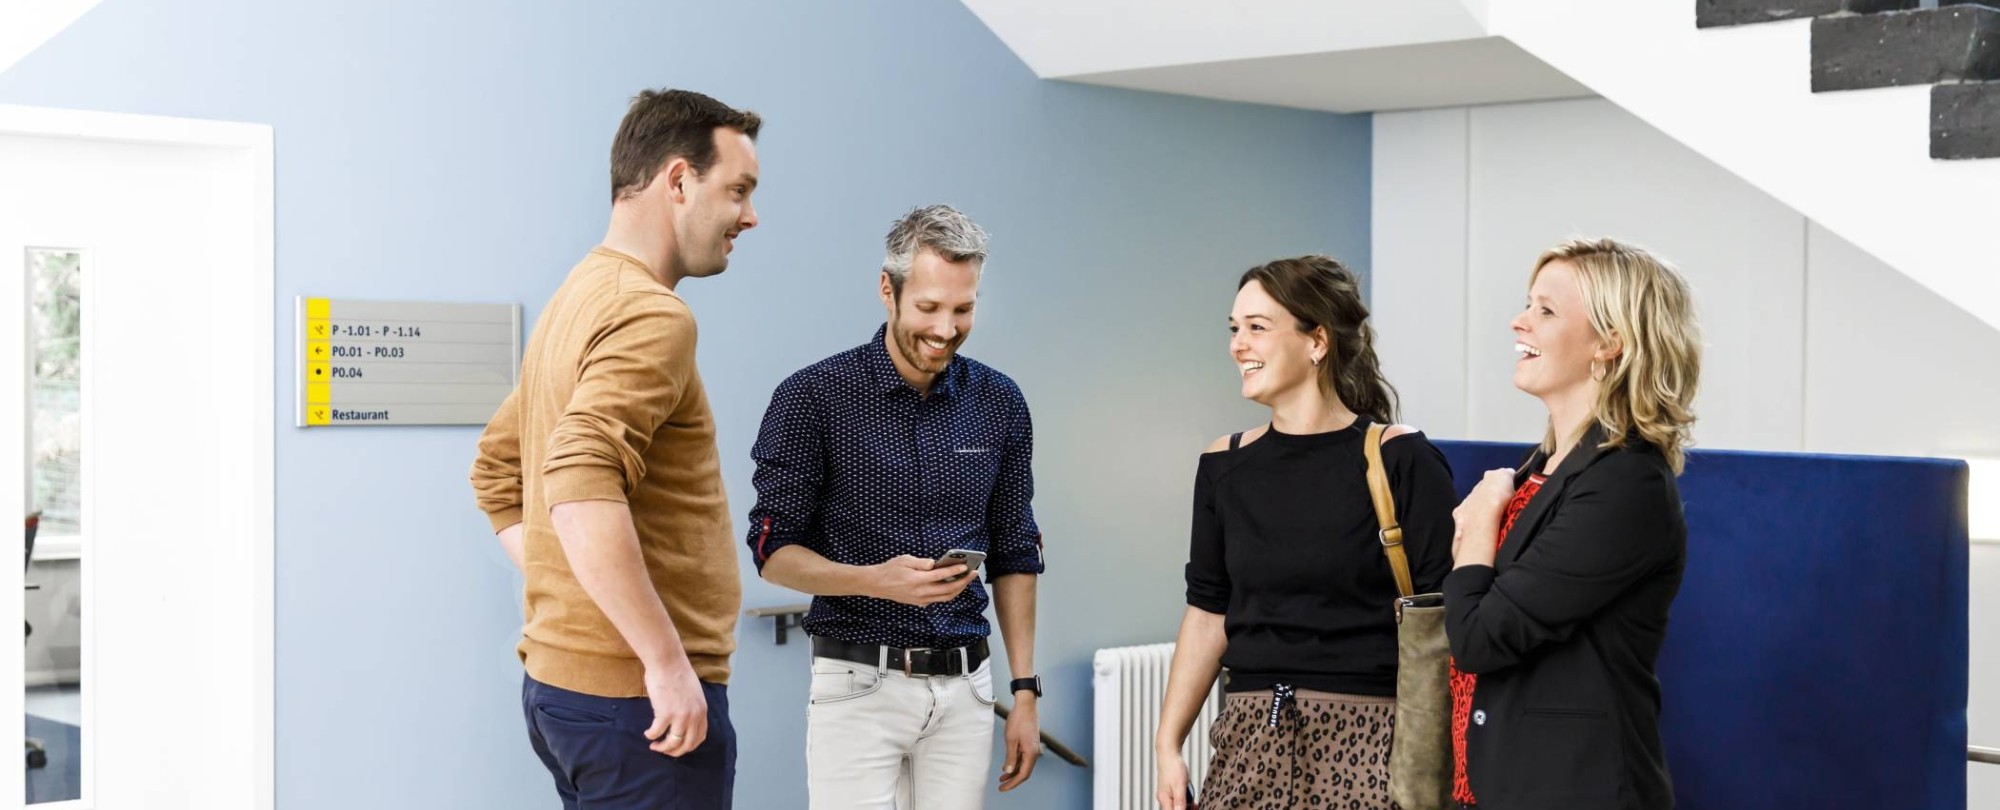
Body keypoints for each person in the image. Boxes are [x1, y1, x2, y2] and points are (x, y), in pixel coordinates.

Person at [469, 88, 762, 810]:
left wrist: (574, 585)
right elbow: (575, 481)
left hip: (566, 695)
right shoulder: (652, 314)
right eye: (739, 190)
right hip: (640, 708)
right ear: (678, 181)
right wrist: (663, 662)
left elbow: (498, 474)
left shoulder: (580, 294)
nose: (749, 216)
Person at [746, 204, 1046, 810]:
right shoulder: (813, 396)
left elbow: (1015, 549)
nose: (946, 329)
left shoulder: (1001, 401)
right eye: (929, 308)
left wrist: (1025, 694)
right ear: (889, 290)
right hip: (857, 685)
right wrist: (873, 581)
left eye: (963, 309)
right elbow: (772, 553)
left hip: (968, 688)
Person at [1154, 255, 1457, 810]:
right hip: (1249, 738)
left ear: (1317, 341)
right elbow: (1207, 612)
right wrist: (1167, 744)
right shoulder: (1223, 465)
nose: (1237, 345)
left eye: (1257, 328)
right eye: (1234, 328)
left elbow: (1446, 619)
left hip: (1374, 742)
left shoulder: (1400, 457)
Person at [1445, 237, 1701, 810]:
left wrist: (1481, 522)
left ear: (1610, 343)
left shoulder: (1625, 482)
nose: (1519, 322)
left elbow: (1479, 639)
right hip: (1495, 784)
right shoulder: (1538, 471)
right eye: (1527, 304)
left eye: (1546, 310)